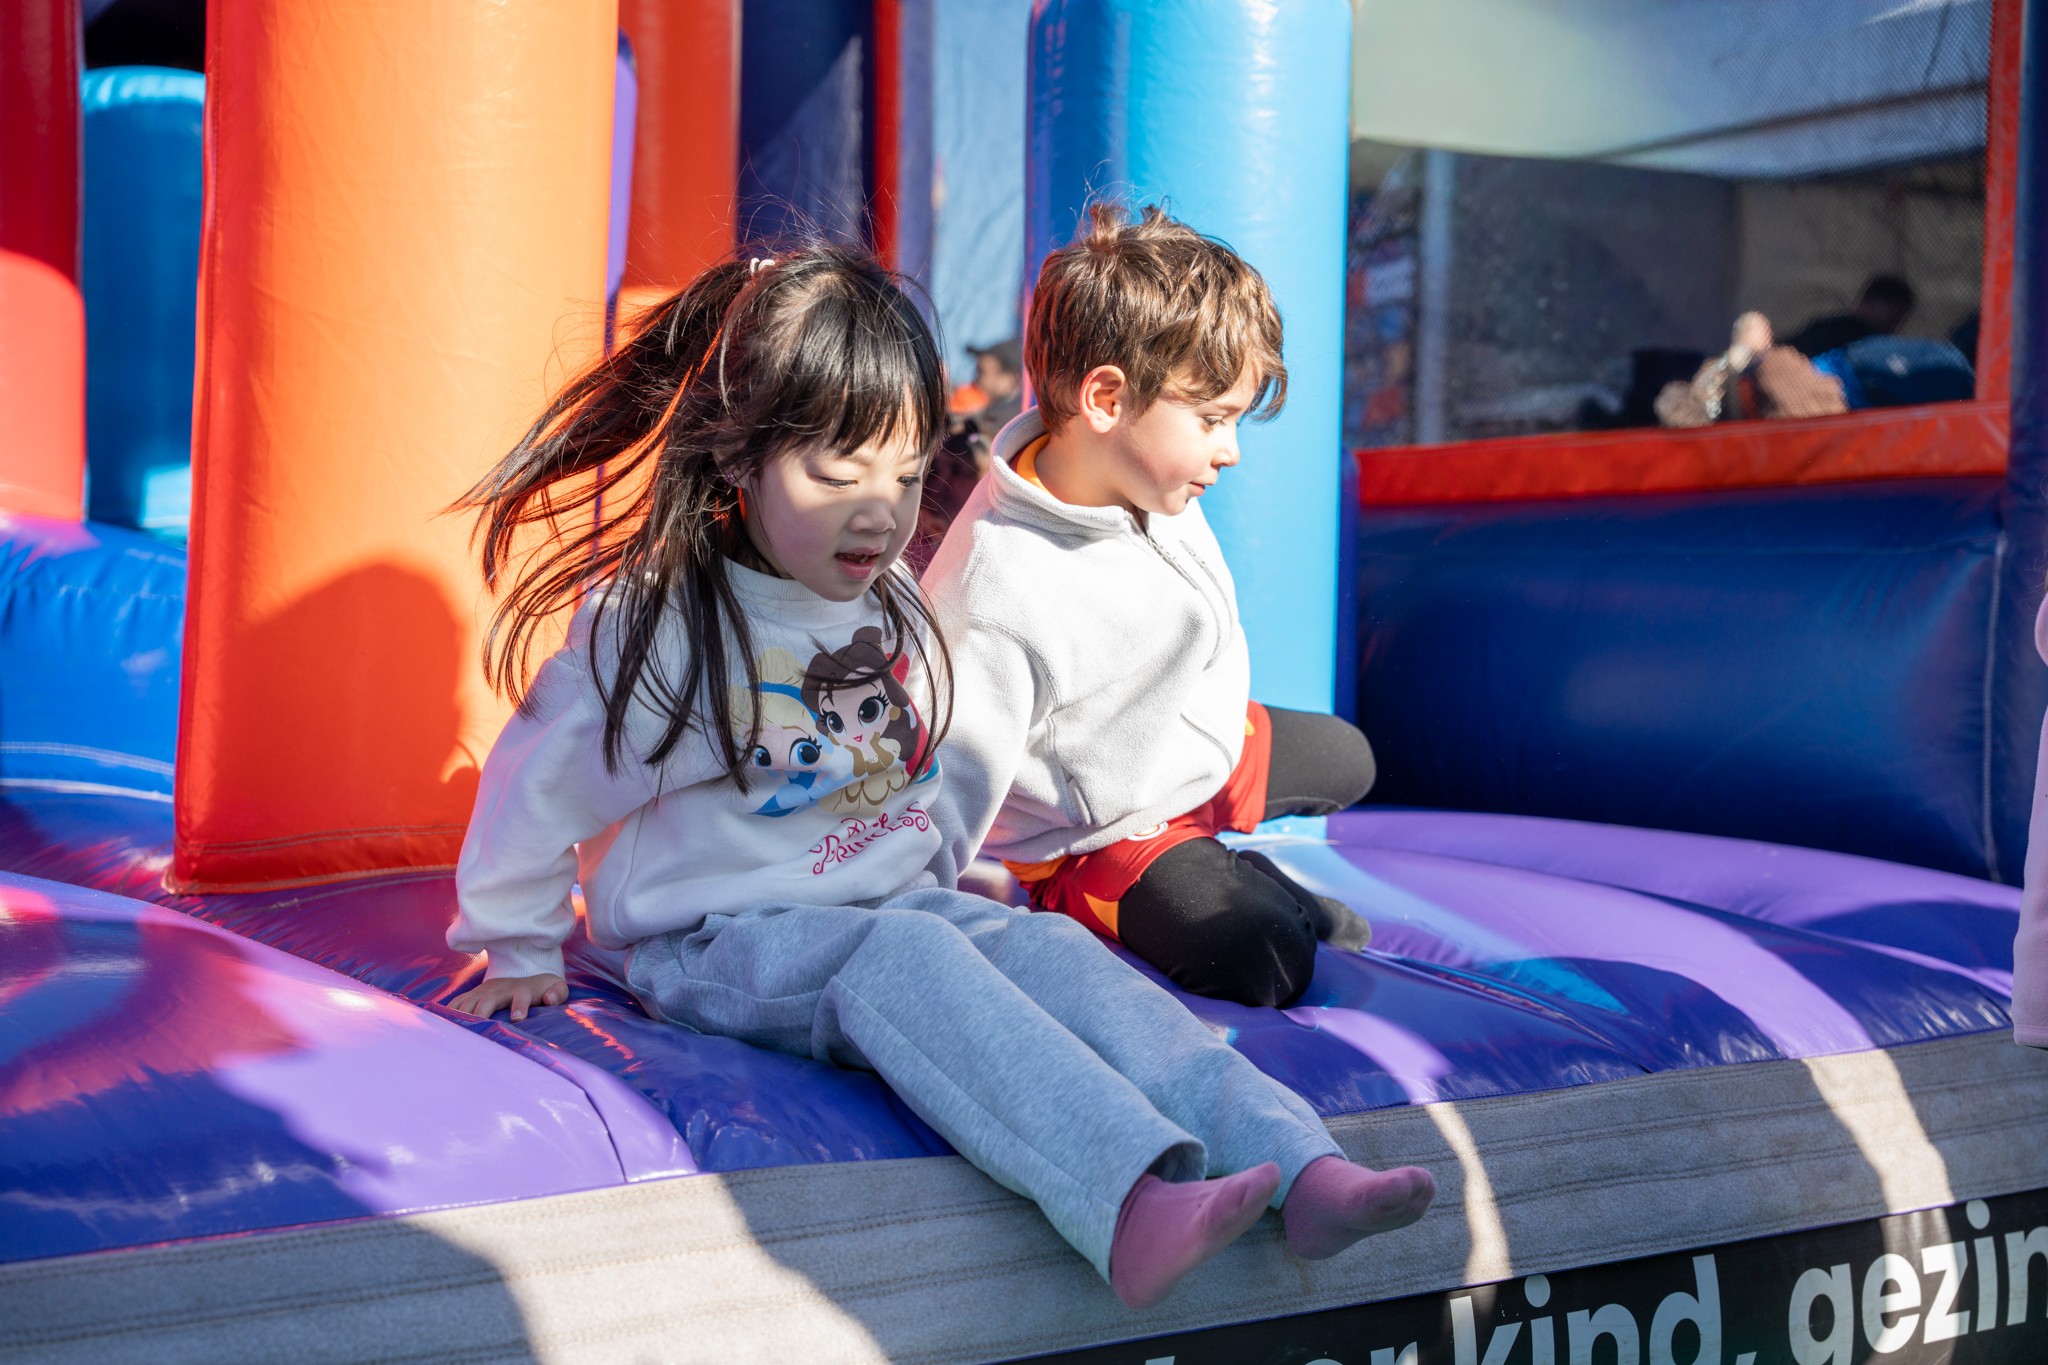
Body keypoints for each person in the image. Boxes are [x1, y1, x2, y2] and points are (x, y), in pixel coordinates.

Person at [444, 245, 1435, 1309]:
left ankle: (1297, 1162)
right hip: (716, 938)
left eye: (907, 474)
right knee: (906, 957)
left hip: (885, 899)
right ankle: (1123, 1200)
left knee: (1050, 949)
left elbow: (910, 763)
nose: (880, 511)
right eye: (836, 472)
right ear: (738, 457)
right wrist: (516, 939)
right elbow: (534, 783)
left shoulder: (884, 596)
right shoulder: (667, 631)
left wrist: (948, 866)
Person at [922, 203, 1380, 1010]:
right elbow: (949, 775)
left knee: (1349, 756)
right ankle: (1147, 884)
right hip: (1096, 828)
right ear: (1106, 398)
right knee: (1265, 954)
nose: (1229, 449)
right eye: (1212, 419)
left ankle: (1210, 840)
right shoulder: (999, 584)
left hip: (1174, 739)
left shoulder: (1144, 479)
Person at [1786, 273, 1916, 359]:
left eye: (1900, 317)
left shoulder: (1826, 326)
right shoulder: (1848, 336)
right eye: (1895, 314)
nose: (1896, 323)